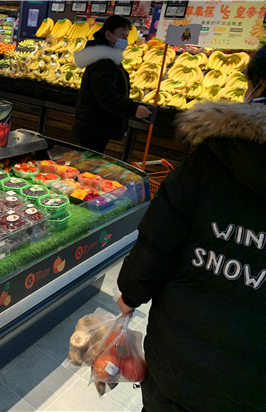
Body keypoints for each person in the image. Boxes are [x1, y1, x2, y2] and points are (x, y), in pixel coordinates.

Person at [116, 45, 266, 412]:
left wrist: (131, 293)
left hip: (179, 352)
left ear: (258, 86)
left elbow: (160, 236)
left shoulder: (214, 154)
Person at [71, 15, 151, 153]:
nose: (125, 40)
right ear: (108, 34)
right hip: (96, 126)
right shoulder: (104, 62)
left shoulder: (105, 57)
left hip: (96, 124)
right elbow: (106, 96)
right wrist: (133, 108)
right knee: (89, 160)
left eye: (126, 36)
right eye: (122, 35)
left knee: (89, 159)